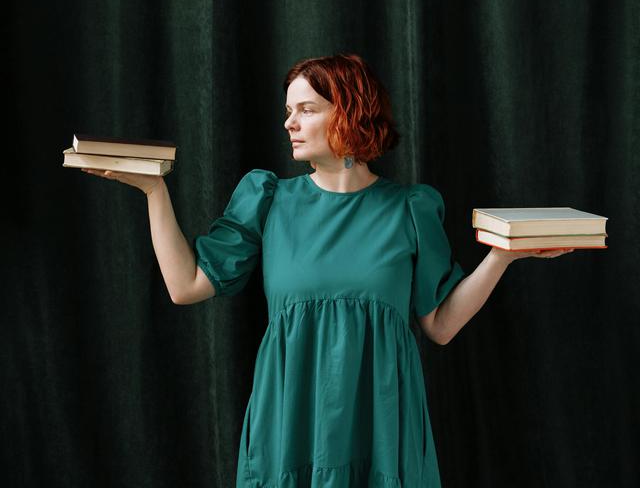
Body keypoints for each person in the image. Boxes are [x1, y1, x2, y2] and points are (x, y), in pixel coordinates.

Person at [82, 52, 574, 487]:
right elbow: (185, 285)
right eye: (288, 111)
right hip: (289, 428)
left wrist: (502, 256)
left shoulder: (410, 209)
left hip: (382, 433)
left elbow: (440, 326)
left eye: (307, 109)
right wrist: (154, 191)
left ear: (350, 112)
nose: (289, 123)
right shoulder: (269, 200)